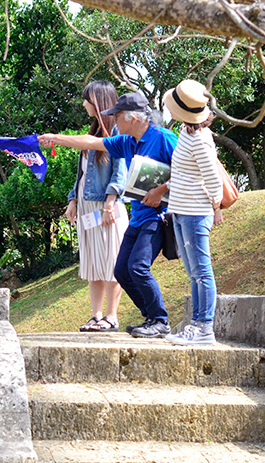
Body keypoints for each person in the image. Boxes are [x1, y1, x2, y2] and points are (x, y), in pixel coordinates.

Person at [39, 91, 178, 338]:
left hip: (159, 217)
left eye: (117, 116)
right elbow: (91, 143)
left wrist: (160, 190)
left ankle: (160, 320)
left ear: (133, 117)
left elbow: (187, 170)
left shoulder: (164, 138)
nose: (114, 120)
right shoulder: (127, 142)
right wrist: (55, 138)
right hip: (138, 217)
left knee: (138, 267)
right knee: (122, 270)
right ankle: (151, 318)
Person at [160, 79, 224, 345]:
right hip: (180, 210)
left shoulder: (199, 140)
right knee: (193, 272)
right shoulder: (186, 132)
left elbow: (214, 180)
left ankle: (204, 328)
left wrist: (216, 207)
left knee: (201, 272)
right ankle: (195, 325)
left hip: (195, 212)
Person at [64, 80, 129, 332]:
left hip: (107, 207)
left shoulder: (117, 133)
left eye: (87, 99)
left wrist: (110, 203)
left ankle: (111, 317)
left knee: (112, 262)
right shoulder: (92, 133)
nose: (84, 104)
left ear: (99, 101)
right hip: (87, 207)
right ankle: (96, 315)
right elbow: (82, 173)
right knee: (93, 263)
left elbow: (120, 171)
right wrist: (73, 200)